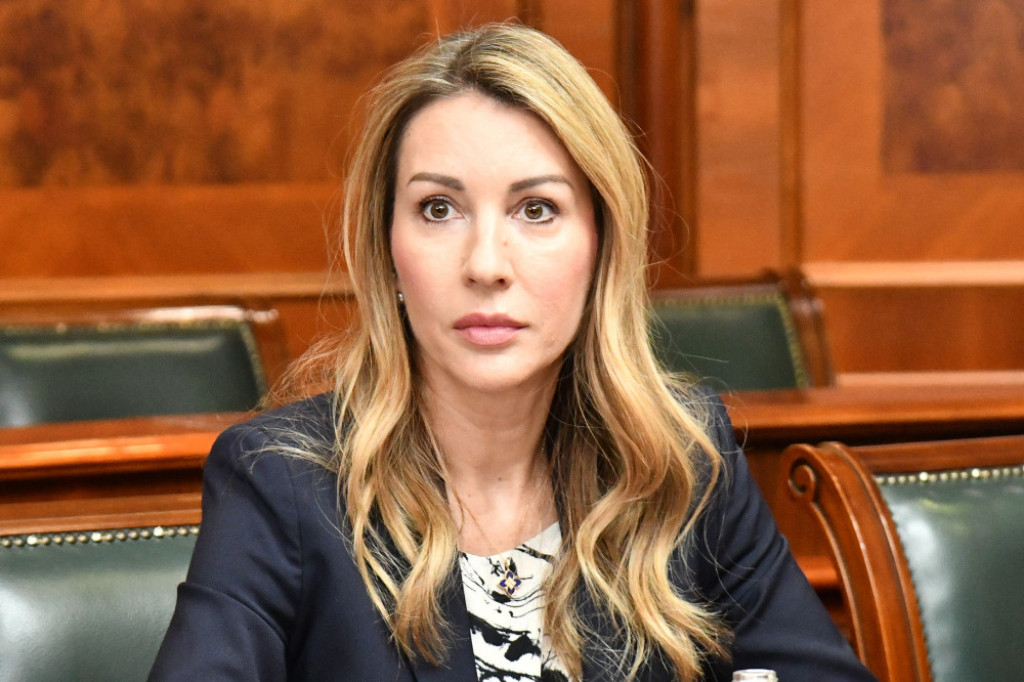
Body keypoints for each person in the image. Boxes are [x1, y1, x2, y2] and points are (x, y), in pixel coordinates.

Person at [149, 23, 878, 682]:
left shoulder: (681, 460)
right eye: (439, 209)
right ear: (387, 249)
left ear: (601, 247)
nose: (486, 264)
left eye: (537, 209)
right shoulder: (282, 483)